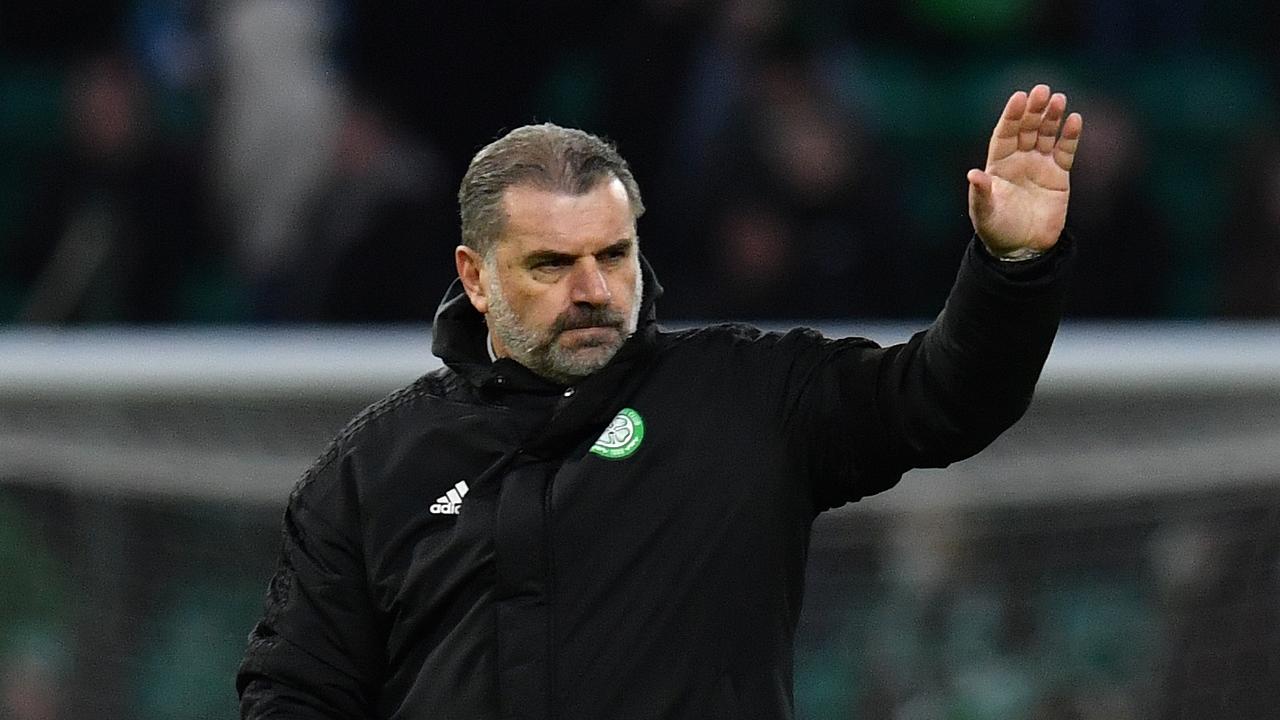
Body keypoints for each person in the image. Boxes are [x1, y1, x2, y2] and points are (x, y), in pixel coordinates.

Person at [237, 83, 1083, 719]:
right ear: (476, 278)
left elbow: (944, 399)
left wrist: (1010, 270)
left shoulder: (749, 399)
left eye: (614, 254)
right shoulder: (370, 470)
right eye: (551, 264)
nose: (594, 288)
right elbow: (296, 697)